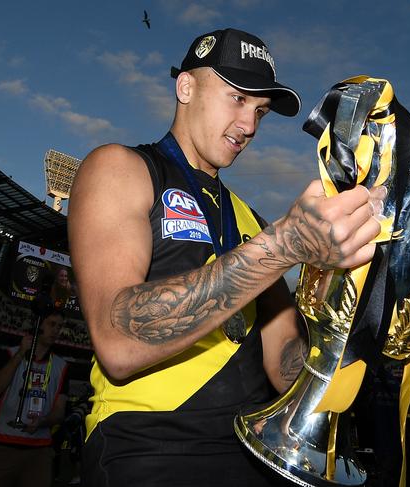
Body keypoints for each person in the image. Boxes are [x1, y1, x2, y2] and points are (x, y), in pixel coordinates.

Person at [68, 27, 386, 487]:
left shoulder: (251, 221)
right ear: (186, 87)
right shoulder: (122, 168)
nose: (251, 125)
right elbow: (117, 341)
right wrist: (284, 245)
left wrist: (360, 328)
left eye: (259, 111)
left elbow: (283, 369)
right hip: (148, 445)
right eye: (237, 99)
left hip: (255, 447)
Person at [0, 309, 69, 487]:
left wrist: (43, 421)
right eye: (51, 324)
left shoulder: (62, 366)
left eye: (59, 326)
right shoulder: (10, 354)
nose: (56, 330)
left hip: (40, 451)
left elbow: (60, 412)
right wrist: (21, 354)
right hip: (3, 445)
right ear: (38, 325)